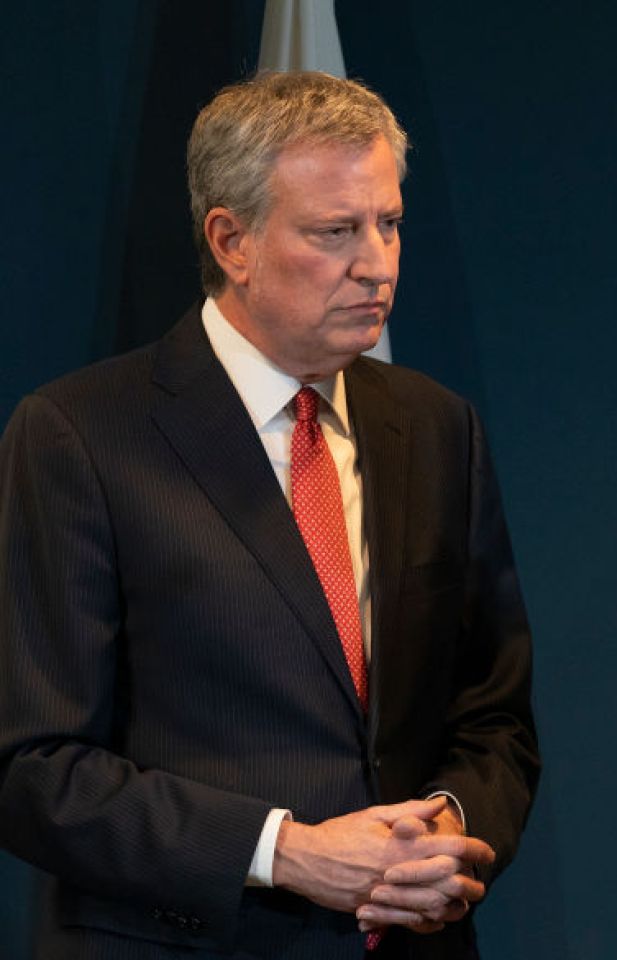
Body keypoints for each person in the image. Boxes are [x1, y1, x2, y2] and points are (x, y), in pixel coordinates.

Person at [0, 72, 539, 958]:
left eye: (390, 223)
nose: (379, 262)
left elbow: (496, 718)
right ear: (232, 239)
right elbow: (33, 766)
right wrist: (282, 851)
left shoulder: (438, 428)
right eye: (335, 232)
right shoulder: (80, 435)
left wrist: (446, 824)